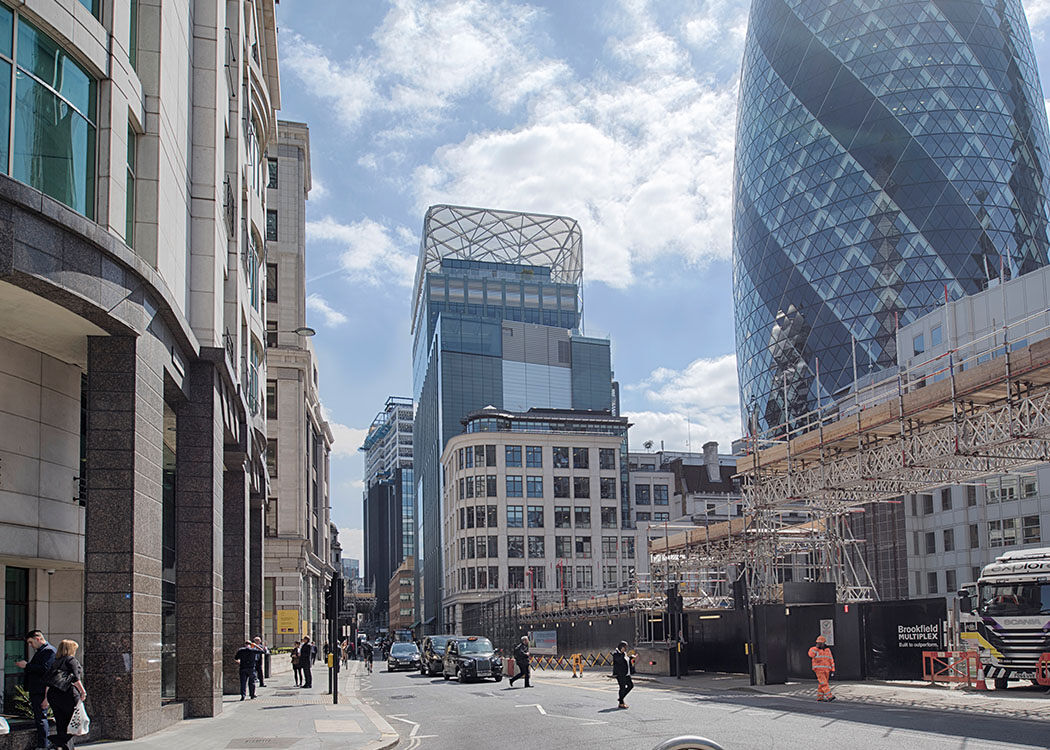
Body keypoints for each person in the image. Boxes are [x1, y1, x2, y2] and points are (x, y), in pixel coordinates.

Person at [41, 639, 87, 750]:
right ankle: (58, 741)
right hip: (67, 695)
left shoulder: (55, 662)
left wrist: (46, 698)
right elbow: (76, 679)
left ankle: (63, 745)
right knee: (70, 724)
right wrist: (83, 691)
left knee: (61, 722)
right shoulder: (71, 660)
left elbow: (49, 682)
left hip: (54, 695)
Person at [16, 629, 56, 749]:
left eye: (31, 642)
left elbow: (46, 670)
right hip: (37, 690)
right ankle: (43, 744)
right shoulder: (43, 651)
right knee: (39, 718)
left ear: (38, 639)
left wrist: (27, 666)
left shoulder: (48, 651)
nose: (30, 645)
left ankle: (43, 745)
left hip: (40, 691)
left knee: (41, 718)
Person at [808, 635, 836, 702]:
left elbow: (831, 660)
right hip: (819, 670)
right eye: (818, 643)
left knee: (822, 684)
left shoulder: (828, 650)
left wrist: (833, 669)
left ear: (824, 643)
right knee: (824, 683)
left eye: (821, 643)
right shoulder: (814, 649)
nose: (819, 644)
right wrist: (816, 648)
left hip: (827, 670)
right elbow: (811, 655)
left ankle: (820, 697)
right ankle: (829, 696)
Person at [612, 640, 634, 709]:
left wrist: (631, 658)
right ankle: (621, 703)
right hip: (620, 674)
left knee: (631, 685)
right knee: (622, 687)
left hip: (626, 673)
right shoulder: (616, 653)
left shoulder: (624, 653)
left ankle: (621, 698)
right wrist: (622, 653)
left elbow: (626, 660)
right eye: (624, 647)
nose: (625, 649)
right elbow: (619, 661)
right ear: (621, 647)